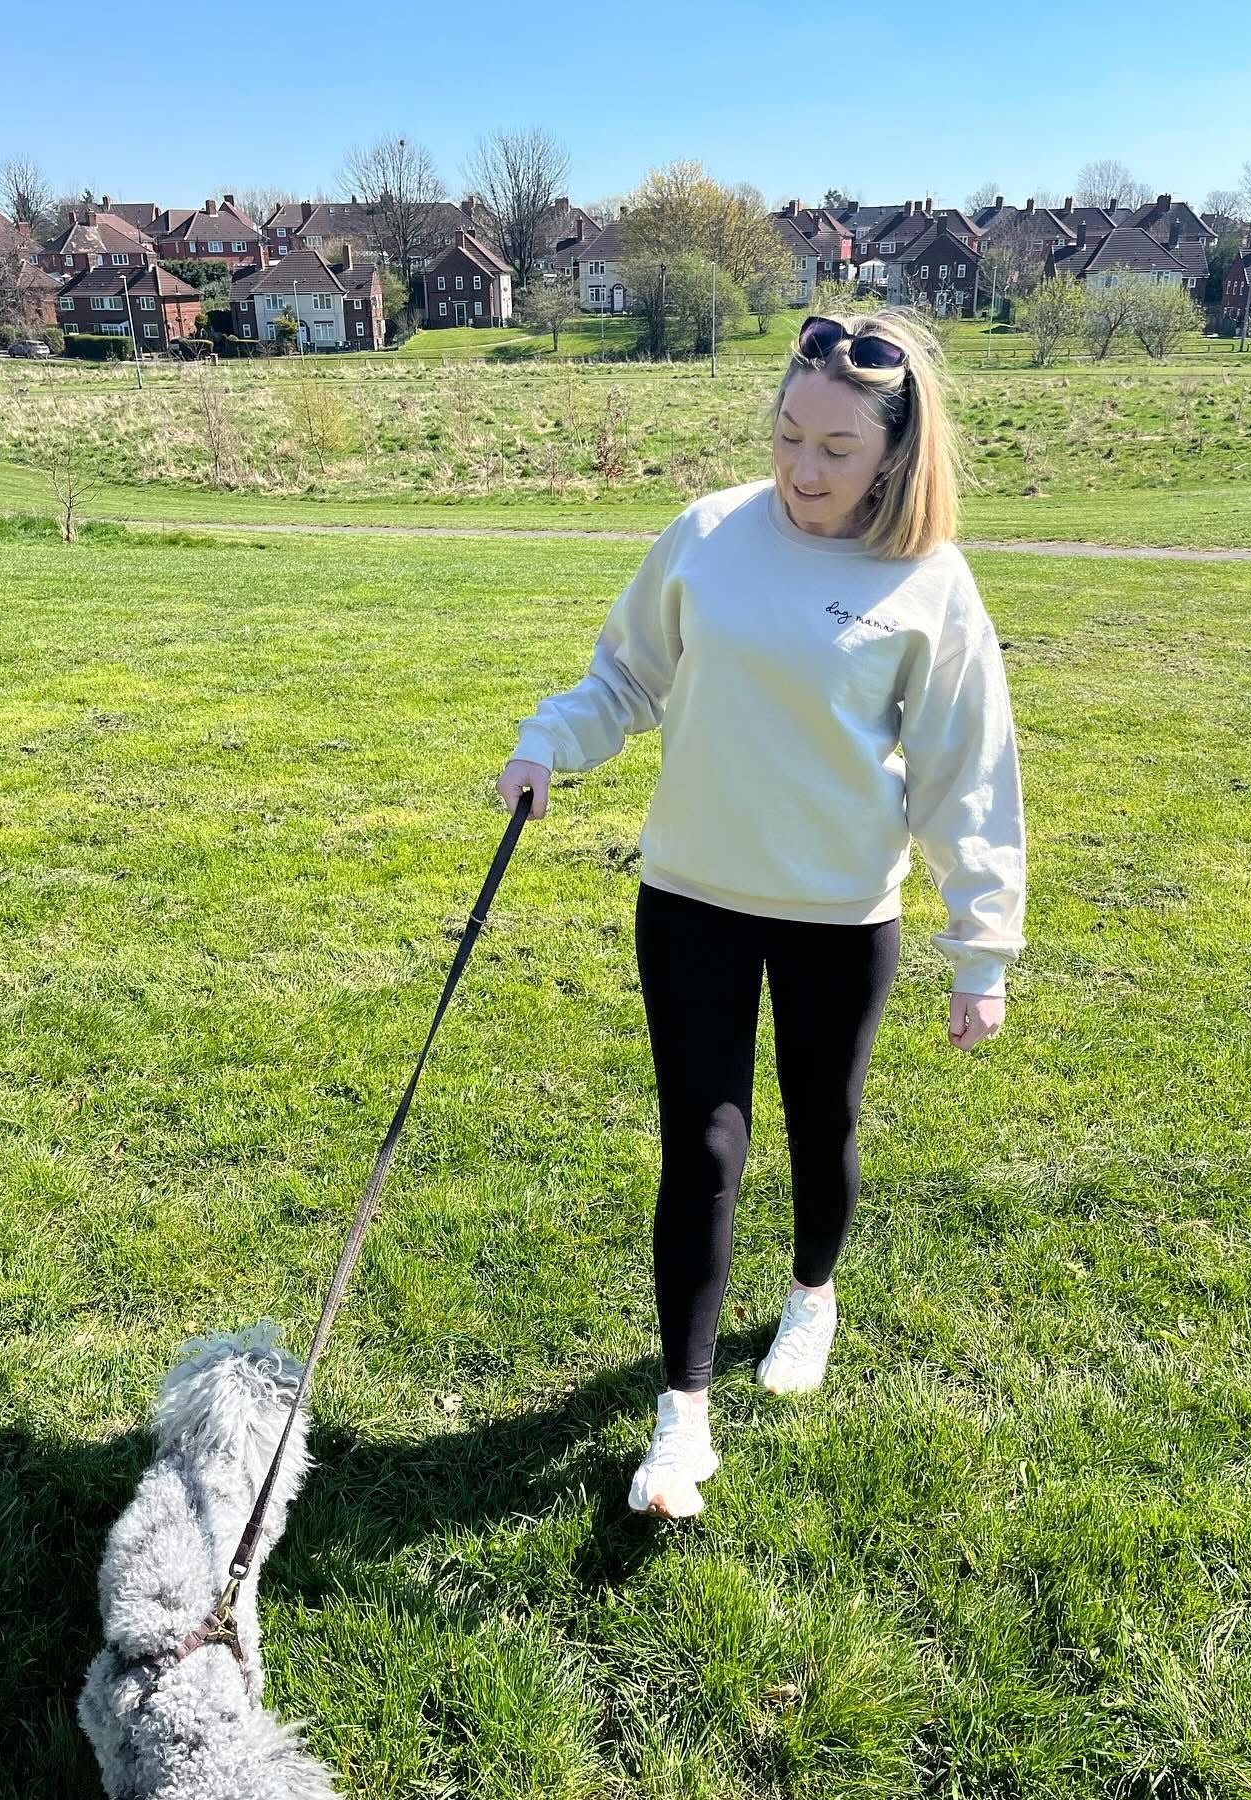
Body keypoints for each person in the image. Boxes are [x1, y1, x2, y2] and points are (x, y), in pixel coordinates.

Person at [496, 310, 1027, 1520]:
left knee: (819, 1122)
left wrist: (981, 944)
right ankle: (681, 1420)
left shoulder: (926, 582)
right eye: (788, 434)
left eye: (837, 447)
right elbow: (628, 673)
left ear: (895, 451)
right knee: (704, 1144)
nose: (802, 468)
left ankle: (813, 1294)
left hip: (842, 912)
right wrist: (548, 746)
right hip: (691, 895)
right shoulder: (710, 534)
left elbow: (967, 769)